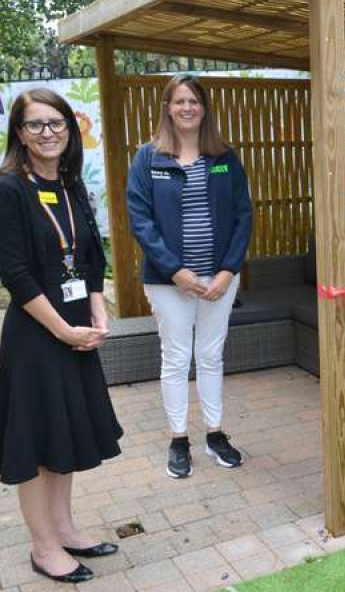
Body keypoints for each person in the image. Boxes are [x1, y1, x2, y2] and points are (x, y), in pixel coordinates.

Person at [0, 89, 123, 584]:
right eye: (36, 125)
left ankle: (64, 528)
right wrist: (64, 331)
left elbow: (92, 260)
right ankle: (43, 547)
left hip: (79, 329)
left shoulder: (71, 185)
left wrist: (98, 317)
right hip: (38, 336)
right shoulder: (7, 192)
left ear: (69, 128)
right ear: (18, 133)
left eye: (56, 122)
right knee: (39, 445)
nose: (48, 132)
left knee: (66, 433)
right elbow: (15, 275)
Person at [126, 74, 252, 479]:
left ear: (204, 108)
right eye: (179, 101)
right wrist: (176, 271)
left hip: (219, 280)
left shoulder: (224, 157)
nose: (187, 108)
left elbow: (243, 216)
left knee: (212, 355)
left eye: (194, 101)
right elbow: (141, 221)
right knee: (177, 357)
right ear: (167, 107)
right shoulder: (148, 158)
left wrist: (227, 271)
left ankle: (215, 434)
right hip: (168, 282)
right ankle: (178, 439)